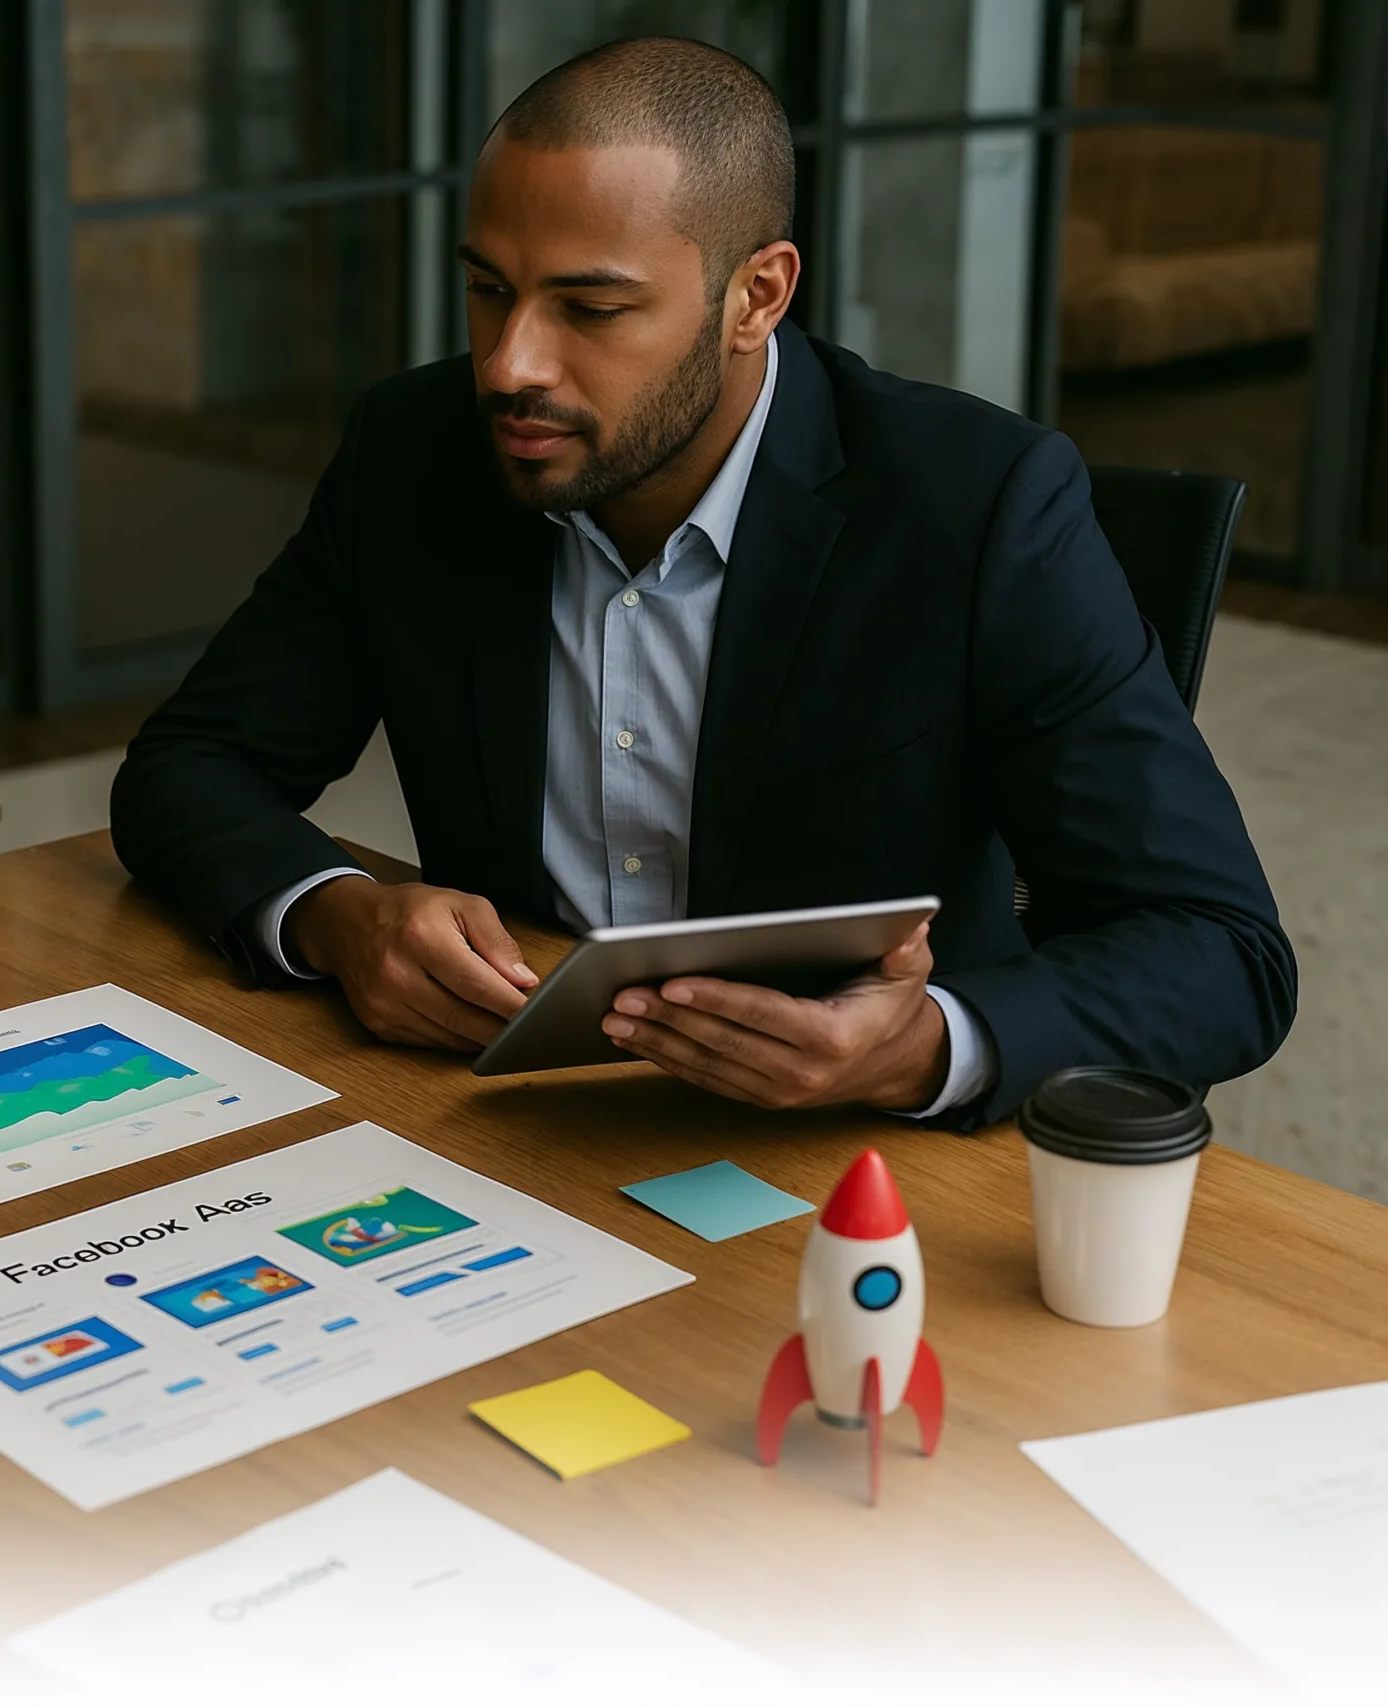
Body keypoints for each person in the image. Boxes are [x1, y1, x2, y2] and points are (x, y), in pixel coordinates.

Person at [110, 37, 1293, 1127]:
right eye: (487, 289)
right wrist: (336, 915)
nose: (510, 363)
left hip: (853, 1161)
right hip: (510, 1124)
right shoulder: (415, 453)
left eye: (591, 307)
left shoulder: (980, 508)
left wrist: (919, 1047)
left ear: (757, 297)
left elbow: (1218, 948)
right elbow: (189, 766)